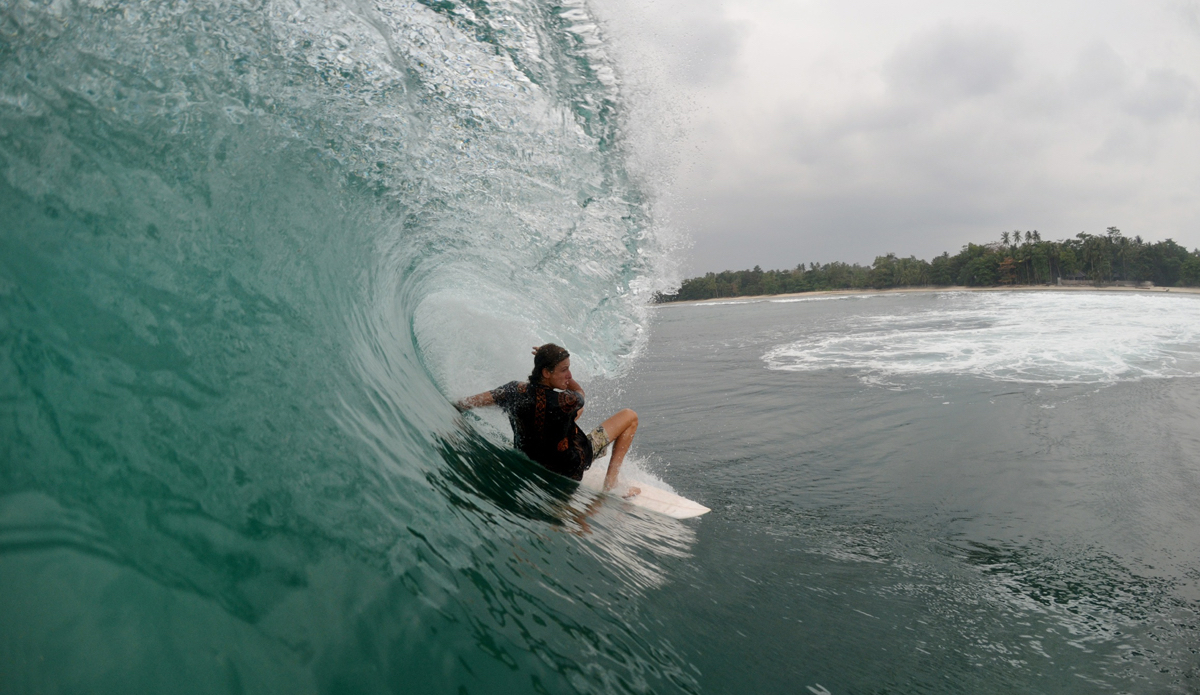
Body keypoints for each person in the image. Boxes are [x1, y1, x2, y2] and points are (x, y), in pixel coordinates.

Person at [455, 343, 641, 497]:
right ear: (546, 372)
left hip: (532, 457)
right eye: (564, 370)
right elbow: (580, 394)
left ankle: (599, 452)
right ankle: (611, 484)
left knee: (571, 414)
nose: (568, 376)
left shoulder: (512, 391)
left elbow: (468, 402)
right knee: (629, 416)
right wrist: (571, 381)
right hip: (570, 467)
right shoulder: (565, 401)